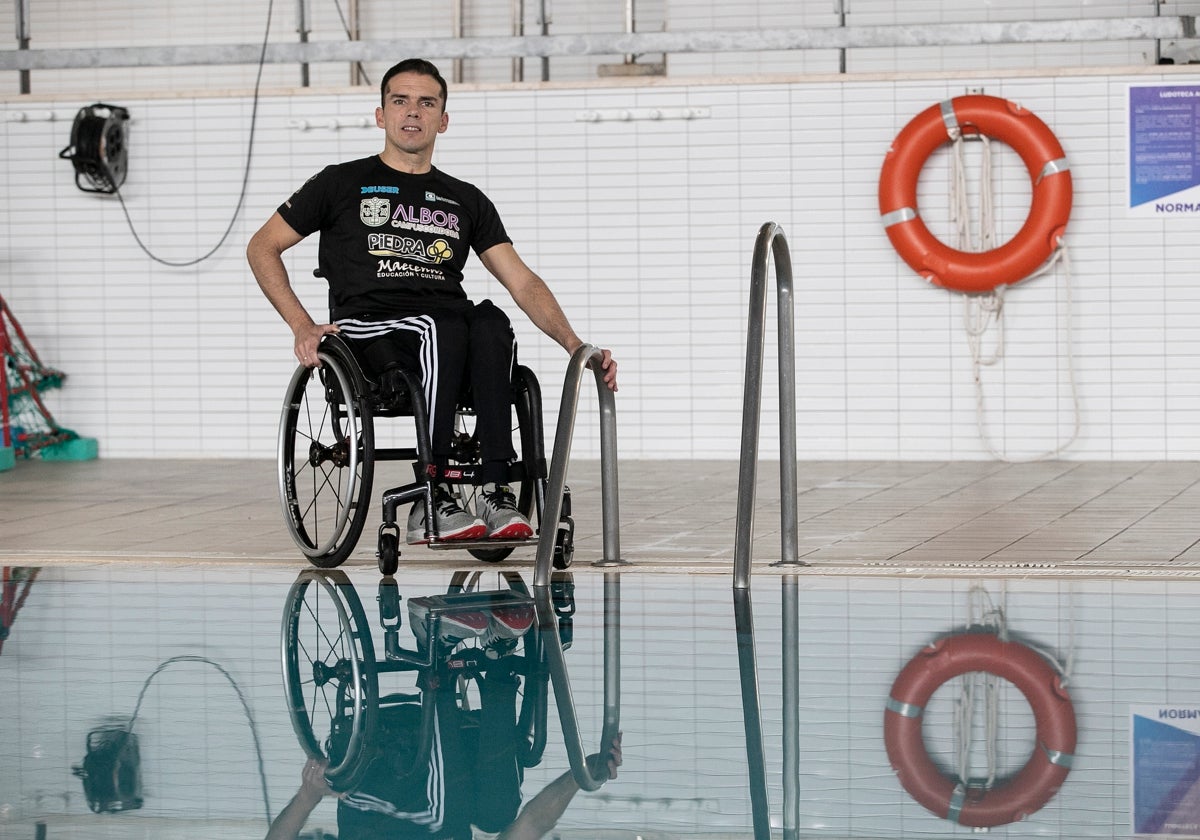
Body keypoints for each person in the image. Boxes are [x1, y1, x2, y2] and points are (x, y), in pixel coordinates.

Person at [247, 57, 617, 545]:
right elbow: (262, 246)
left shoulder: (465, 199)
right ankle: (432, 495)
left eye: (427, 102)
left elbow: (522, 281)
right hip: (368, 330)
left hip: (445, 328)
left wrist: (574, 345)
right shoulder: (340, 183)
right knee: (440, 327)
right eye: (400, 101)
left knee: (490, 321)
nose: (412, 112)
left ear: (443, 119)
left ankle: (493, 489)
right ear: (381, 115)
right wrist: (302, 325)